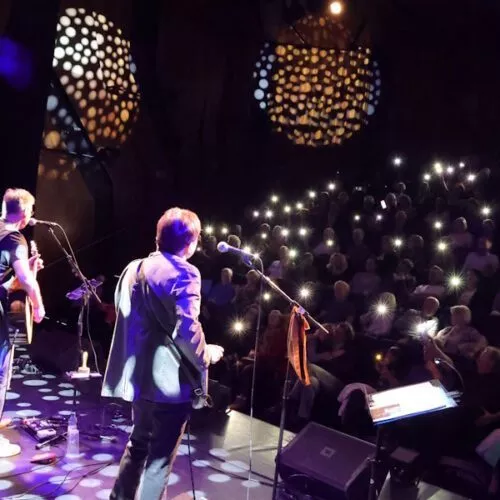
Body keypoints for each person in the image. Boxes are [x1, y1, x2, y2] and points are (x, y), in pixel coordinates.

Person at [102, 207, 224, 500]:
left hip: (139, 379)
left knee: (138, 444)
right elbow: (187, 330)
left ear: (158, 237)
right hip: (169, 385)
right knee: (158, 461)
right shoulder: (185, 272)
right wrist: (206, 354)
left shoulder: (134, 268)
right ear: (190, 242)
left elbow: (123, 311)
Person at [0, 188, 44, 456]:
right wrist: (38, 305)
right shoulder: (16, 236)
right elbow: (25, 281)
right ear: (26, 213)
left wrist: (25, 267)